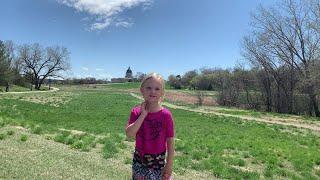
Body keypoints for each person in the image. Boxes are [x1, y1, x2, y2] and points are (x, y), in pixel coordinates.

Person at [126, 73, 175, 180]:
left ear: (162, 93)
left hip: (158, 161)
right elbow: (129, 134)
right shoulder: (136, 112)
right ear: (142, 90)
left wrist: (169, 164)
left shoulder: (166, 115)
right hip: (139, 159)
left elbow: (170, 142)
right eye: (149, 88)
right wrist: (143, 115)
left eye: (157, 89)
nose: (152, 91)